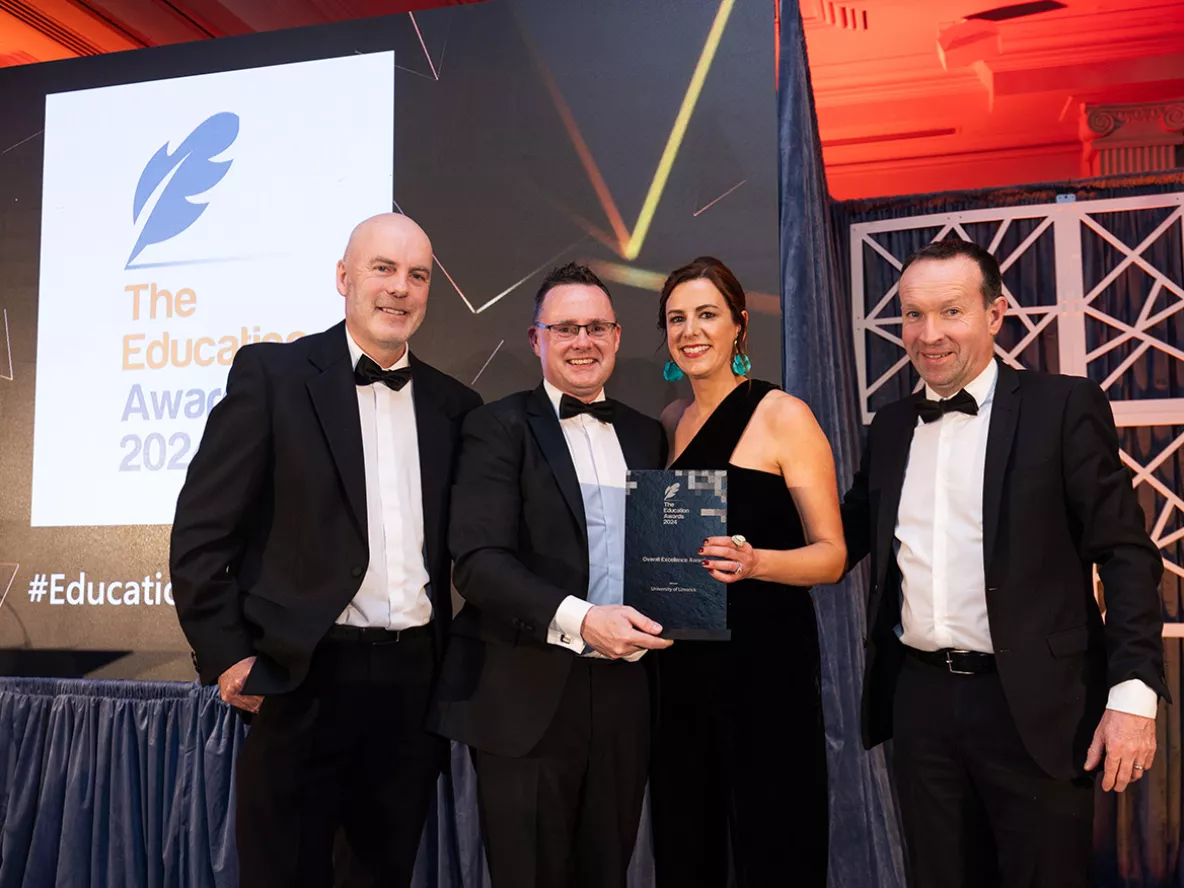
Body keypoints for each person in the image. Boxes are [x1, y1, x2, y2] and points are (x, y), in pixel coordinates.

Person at [840, 238, 1168, 888]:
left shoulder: (1063, 406)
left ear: (996, 314)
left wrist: (1134, 694)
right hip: (921, 703)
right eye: (912, 315)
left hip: (1038, 705)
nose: (928, 335)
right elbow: (842, 537)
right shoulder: (890, 426)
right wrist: (746, 545)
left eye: (951, 312)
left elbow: (1126, 555)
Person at [169, 213, 481, 888]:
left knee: (382, 872)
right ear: (344, 278)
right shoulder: (273, 375)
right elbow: (200, 532)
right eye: (383, 269)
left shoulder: (458, 407)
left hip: (410, 689)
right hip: (303, 677)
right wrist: (225, 656)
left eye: (417, 275)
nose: (400, 288)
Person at [429, 263, 669, 888]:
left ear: (617, 337)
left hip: (627, 696)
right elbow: (478, 564)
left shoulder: (648, 435)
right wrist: (584, 620)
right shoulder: (497, 426)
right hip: (526, 693)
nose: (582, 341)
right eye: (565, 328)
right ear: (536, 339)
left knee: (606, 872)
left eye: (595, 327)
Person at [648, 256, 845, 888]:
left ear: (738, 323)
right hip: (681, 667)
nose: (690, 330)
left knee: (774, 839)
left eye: (706, 314)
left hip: (767, 668)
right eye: (676, 318)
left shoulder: (783, 414)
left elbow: (832, 555)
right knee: (688, 839)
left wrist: (758, 561)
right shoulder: (670, 422)